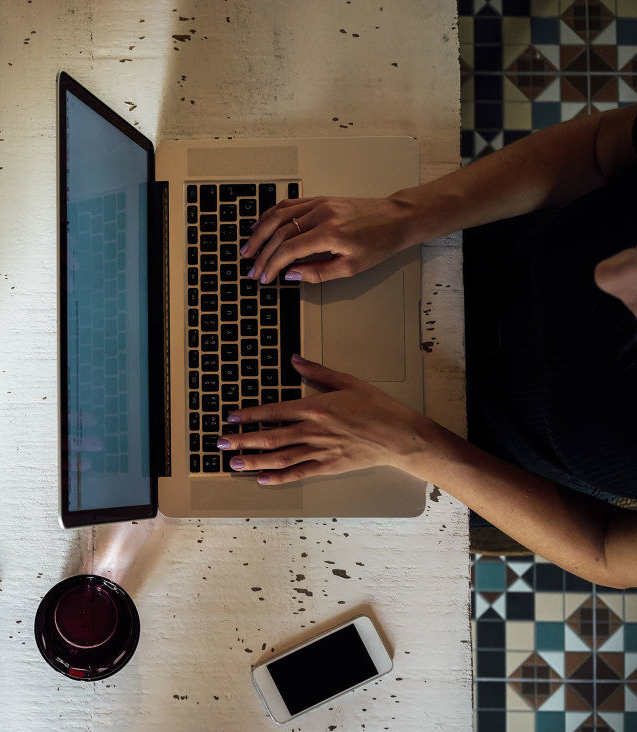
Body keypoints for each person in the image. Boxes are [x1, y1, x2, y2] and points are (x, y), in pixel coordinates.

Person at [217, 105, 637, 588]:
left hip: (479, 457)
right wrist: (404, 214)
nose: (611, 278)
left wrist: (410, 444)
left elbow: (605, 551)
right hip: (470, 244)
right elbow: (599, 148)